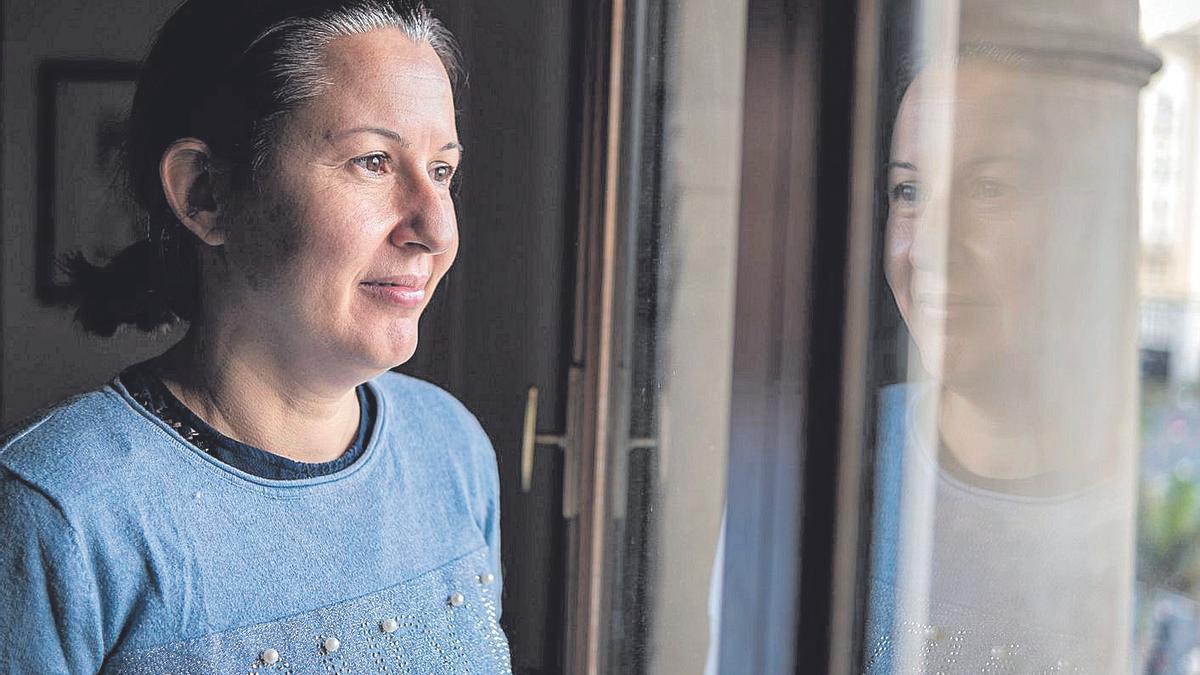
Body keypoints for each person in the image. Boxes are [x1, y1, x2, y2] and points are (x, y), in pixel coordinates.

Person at [0, 1, 512, 671]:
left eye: (442, 170)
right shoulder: (60, 509)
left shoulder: (452, 449)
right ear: (205, 194)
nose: (436, 230)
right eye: (372, 162)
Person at [863, 51, 1136, 673]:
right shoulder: (824, 460)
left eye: (989, 188)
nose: (930, 250)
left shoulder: (1151, 516)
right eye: (908, 191)